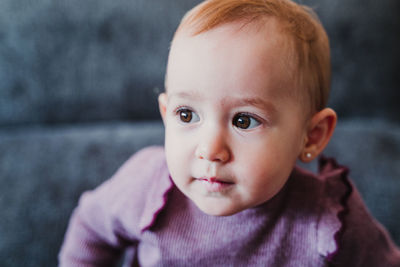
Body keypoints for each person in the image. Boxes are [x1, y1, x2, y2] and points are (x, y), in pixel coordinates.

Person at [59, 0, 400, 266]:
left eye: (243, 121)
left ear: (310, 136)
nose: (210, 150)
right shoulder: (146, 186)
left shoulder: (328, 221)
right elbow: (91, 228)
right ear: (166, 115)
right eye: (187, 114)